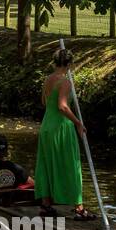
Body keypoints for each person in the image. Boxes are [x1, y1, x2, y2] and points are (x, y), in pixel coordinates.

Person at [34, 48, 92, 218]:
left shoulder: (47, 79)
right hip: (61, 128)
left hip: (46, 126)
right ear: (70, 63)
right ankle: (79, 208)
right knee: (71, 164)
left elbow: (45, 102)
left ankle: (46, 205)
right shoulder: (65, 82)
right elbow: (62, 106)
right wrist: (78, 123)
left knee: (46, 163)